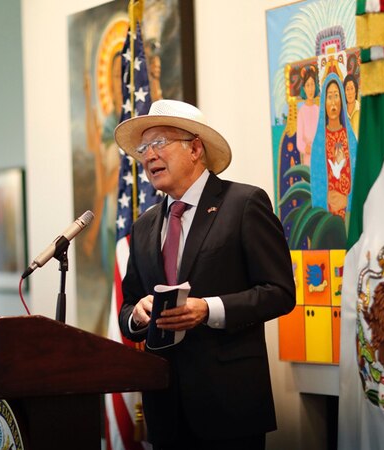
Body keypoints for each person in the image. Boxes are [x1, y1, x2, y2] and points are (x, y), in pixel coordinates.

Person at [114, 99, 296, 449]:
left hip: (229, 406)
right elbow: (127, 309)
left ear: (195, 148)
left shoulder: (243, 204)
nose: (148, 156)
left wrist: (208, 309)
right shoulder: (144, 225)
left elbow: (280, 292)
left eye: (159, 143)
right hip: (165, 409)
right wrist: (137, 316)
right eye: (143, 148)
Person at [311, 73, 358, 220]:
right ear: (324, 103)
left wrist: (346, 200)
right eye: (329, 96)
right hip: (327, 221)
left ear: (342, 100)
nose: (333, 102)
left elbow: (359, 179)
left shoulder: (350, 140)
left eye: (336, 95)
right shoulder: (319, 144)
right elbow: (317, 185)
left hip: (350, 217)